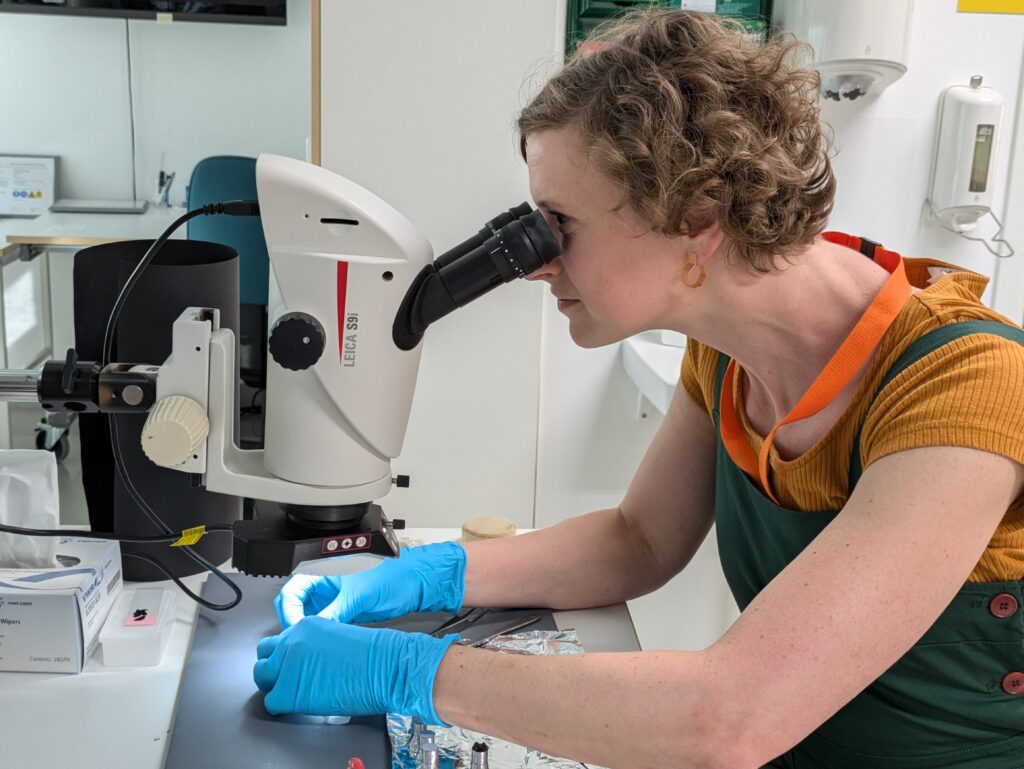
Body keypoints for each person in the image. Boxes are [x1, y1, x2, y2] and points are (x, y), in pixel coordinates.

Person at [252, 10, 1024, 768]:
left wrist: (409, 672)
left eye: (559, 224)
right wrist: (423, 573)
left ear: (698, 218)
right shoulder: (726, 354)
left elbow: (733, 717)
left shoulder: (968, 386)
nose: (536, 264)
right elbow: (640, 539)